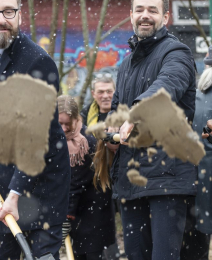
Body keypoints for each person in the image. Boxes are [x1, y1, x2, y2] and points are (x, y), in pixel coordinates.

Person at [0, 0, 70, 259]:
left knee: (42, 256)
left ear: (19, 14)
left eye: (9, 11)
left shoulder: (37, 62)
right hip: (3, 178)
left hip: (43, 182)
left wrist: (16, 193)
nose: (2, 19)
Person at [109, 0, 197, 259]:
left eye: (152, 10)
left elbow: (167, 85)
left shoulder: (177, 53)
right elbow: (116, 112)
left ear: (166, 17)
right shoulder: (126, 65)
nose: (145, 16)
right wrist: (111, 128)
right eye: (139, 10)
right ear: (131, 15)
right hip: (130, 178)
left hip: (167, 177)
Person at [58, 95, 116, 260]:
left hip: (94, 213)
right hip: (78, 213)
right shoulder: (58, 140)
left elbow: (76, 182)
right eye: (59, 123)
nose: (63, 128)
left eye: (67, 124)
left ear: (76, 119)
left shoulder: (85, 143)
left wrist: (66, 216)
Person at [181, 47, 212, 260]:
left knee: (195, 246)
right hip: (200, 182)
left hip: (194, 183)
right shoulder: (197, 96)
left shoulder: (196, 95)